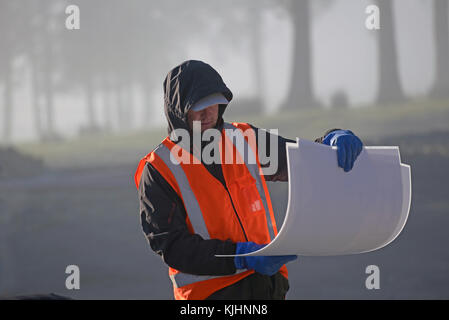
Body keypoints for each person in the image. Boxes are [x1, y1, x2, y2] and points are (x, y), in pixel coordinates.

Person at [134, 60, 363, 300]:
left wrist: (330, 141)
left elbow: (299, 162)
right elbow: (173, 247)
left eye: (215, 102)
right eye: (198, 105)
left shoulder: (243, 139)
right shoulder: (158, 169)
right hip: (211, 296)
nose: (208, 113)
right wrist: (240, 256)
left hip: (269, 287)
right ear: (179, 110)